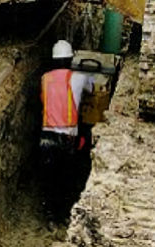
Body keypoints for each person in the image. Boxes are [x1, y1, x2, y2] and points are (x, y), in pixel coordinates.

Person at [39, 40, 94, 219]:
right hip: (66, 138)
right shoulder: (78, 77)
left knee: (49, 177)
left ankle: (49, 212)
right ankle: (62, 214)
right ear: (70, 59)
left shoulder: (44, 78)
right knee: (65, 177)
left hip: (46, 137)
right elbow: (92, 87)